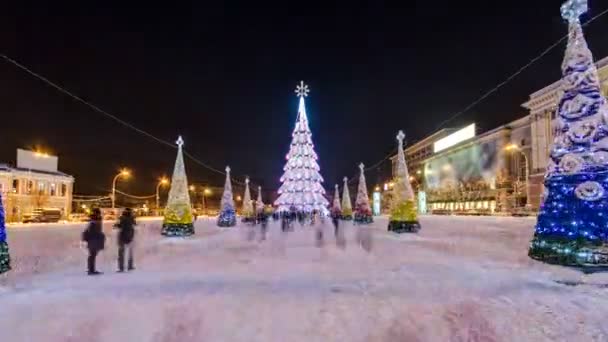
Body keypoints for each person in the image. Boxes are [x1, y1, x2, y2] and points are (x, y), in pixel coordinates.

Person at [82, 208, 106, 275]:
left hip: (94, 239)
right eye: (98, 213)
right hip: (93, 239)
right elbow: (92, 231)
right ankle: (91, 270)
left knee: (92, 255)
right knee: (92, 255)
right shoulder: (94, 221)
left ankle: (91, 269)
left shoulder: (95, 220)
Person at [115, 208, 136, 272]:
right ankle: (130, 266)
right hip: (130, 236)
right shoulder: (132, 218)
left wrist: (117, 224)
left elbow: (118, 226)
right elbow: (134, 225)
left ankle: (121, 267)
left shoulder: (121, 218)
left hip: (122, 237)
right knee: (130, 252)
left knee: (121, 253)